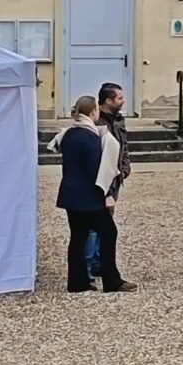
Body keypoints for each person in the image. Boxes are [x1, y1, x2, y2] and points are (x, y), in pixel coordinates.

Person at [56, 94, 128, 293]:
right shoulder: (91, 137)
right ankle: (111, 280)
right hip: (89, 196)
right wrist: (106, 193)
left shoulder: (69, 134)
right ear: (93, 111)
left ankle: (77, 282)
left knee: (78, 237)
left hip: (71, 194)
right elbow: (96, 169)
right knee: (108, 232)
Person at [91, 82, 133, 283]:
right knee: (96, 224)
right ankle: (90, 266)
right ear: (108, 100)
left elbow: (124, 146)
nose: (123, 101)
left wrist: (125, 168)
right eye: (119, 98)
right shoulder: (97, 123)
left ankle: (100, 263)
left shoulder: (118, 119)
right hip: (101, 180)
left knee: (107, 221)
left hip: (115, 178)